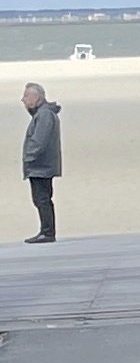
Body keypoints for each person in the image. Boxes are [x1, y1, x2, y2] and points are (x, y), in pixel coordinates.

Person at [22, 82, 60, 244]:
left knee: (42, 199)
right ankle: (46, 231)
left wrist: (28, 158)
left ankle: (47, 232)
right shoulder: (42, 114)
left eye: (26, 96)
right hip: (41, 165)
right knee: (41, 198)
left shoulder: (44, 115)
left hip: (41, 166)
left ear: (37, 97)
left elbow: (39, 141)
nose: (23, 100)